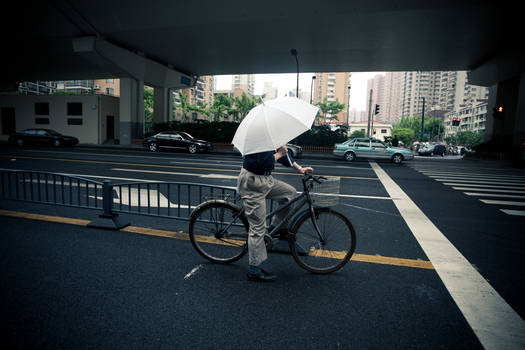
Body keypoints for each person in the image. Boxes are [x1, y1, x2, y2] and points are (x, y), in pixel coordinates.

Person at [237, 145, 314, 282]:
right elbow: (264, 161)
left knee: (289, 193)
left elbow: (285, 157)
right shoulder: (259, 138)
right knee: (257, 228)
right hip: (252, 182)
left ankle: (276, 227)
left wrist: (300, 169)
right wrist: (279, 153)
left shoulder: (270, 135)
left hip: (265, 180)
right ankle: (253, 270)